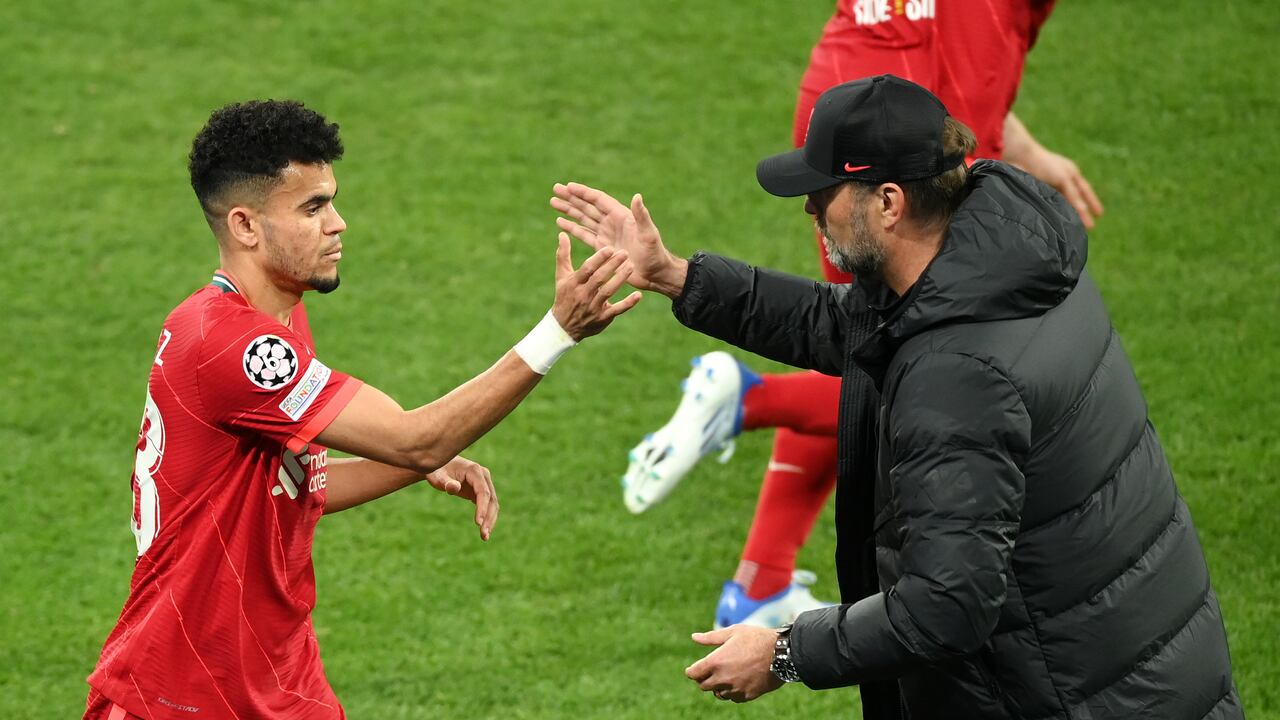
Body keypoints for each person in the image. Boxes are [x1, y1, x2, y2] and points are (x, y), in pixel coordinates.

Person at [552, 76, 1239, 718]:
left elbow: (947, 606)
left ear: (889, 202)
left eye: (826, 190)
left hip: (1074, 694)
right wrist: (673, 275)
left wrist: (786, 652)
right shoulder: (993, 260)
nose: (809, 205)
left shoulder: (957, 371)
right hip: (1130, 667)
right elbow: (846, 325)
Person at [84, 99, 640, 720]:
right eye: (312, 207)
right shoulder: (235, 346)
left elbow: (299, 488)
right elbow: (413, 438)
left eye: (332, 200)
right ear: (245, 226)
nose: (338, 223)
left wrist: (416, 463)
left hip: (277, 681)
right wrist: (558, 331)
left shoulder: (276, 321)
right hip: (184, 694)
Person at [620, 0, 1106, 631]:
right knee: (894, 355)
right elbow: (964, 136)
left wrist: (1028, 151)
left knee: (868, 338)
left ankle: (762, 579)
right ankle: (747, 399)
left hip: (849, 95)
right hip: (883, 138)